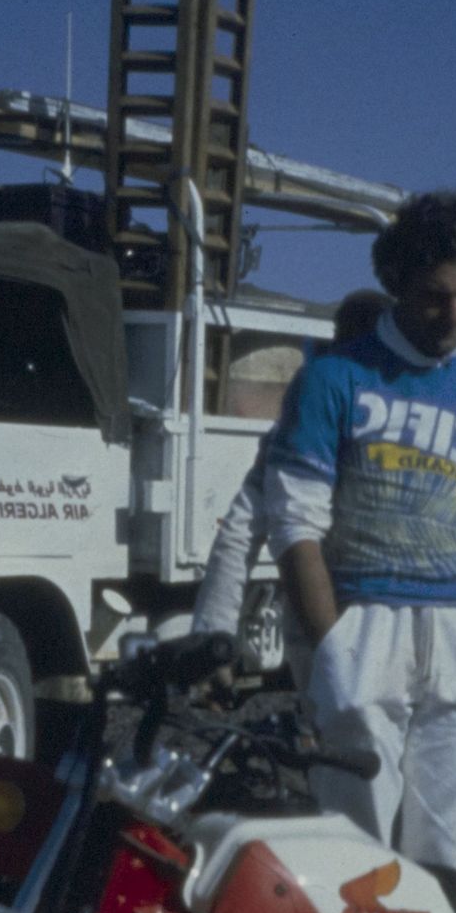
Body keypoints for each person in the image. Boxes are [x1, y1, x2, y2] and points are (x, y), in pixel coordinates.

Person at [263, 192, 456, 882]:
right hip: (366, 624)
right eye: (434, 298)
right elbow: (296, 523)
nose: (453, 316)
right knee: (351, 860)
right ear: (395, 286)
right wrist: (334, 649)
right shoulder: (334, 378)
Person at [190, 290, 394, 682]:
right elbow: (241, 531)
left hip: (347, 627)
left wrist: (210, 639)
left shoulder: (300, 429)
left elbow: (239, 534)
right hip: (347, 626)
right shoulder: (302, 430)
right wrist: (211, 641)